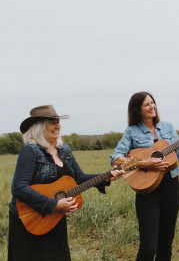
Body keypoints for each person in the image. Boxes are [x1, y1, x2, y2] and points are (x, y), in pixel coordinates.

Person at [8, 105, 124, 261]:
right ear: (39, 127)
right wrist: (53, 205)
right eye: (52, 122)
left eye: (58, 121)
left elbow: (79, 178)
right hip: (31, 218)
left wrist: (105, 176)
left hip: (54, 218)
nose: (58, 126)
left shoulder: (64, 150)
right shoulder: (30, 151)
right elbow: (18, 187)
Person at [110, 91, 179, 261]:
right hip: (147, 191)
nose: (152, 106)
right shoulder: (132, 132)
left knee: (165, 245)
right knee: (148, 247)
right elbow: (116, 158)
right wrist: (143, 163)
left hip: (171, 186)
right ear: (137, 109)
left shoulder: (168, 127)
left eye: (153, 103)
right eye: (147, 104)